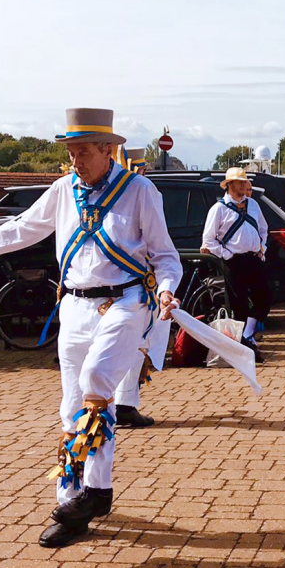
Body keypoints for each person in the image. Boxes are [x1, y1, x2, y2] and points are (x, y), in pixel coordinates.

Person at [0, 108, 182, 548]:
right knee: (71, 407)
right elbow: (18, 231)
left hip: (125, 302)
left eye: (82, 151)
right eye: (70, 151)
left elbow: (166, 256)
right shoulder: (63, 190)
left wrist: (168, 289)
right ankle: (72, 502)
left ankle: (98, 492)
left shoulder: (140, 191)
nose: (74, 160)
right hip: (75, 307)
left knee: (97, 381)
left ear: (108, 149)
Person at [200, 168, 271, 363]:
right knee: (239, 303)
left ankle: (247, 334)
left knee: (264, 298)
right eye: (239, 182)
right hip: (233, 261)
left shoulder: (254, 205)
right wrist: (227, 255)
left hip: (254, 258)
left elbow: (264, 229)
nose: (243, 185)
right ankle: (244, 345)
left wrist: (261, 248)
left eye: (244, 182)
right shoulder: (219, 209)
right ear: (229, 185)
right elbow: (208, 239)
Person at [113, 147, 158, 427]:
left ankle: (120, 404)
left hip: (125, 286)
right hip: (132, 287)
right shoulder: (139, 192)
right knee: (136, 346)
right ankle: (124, 406)